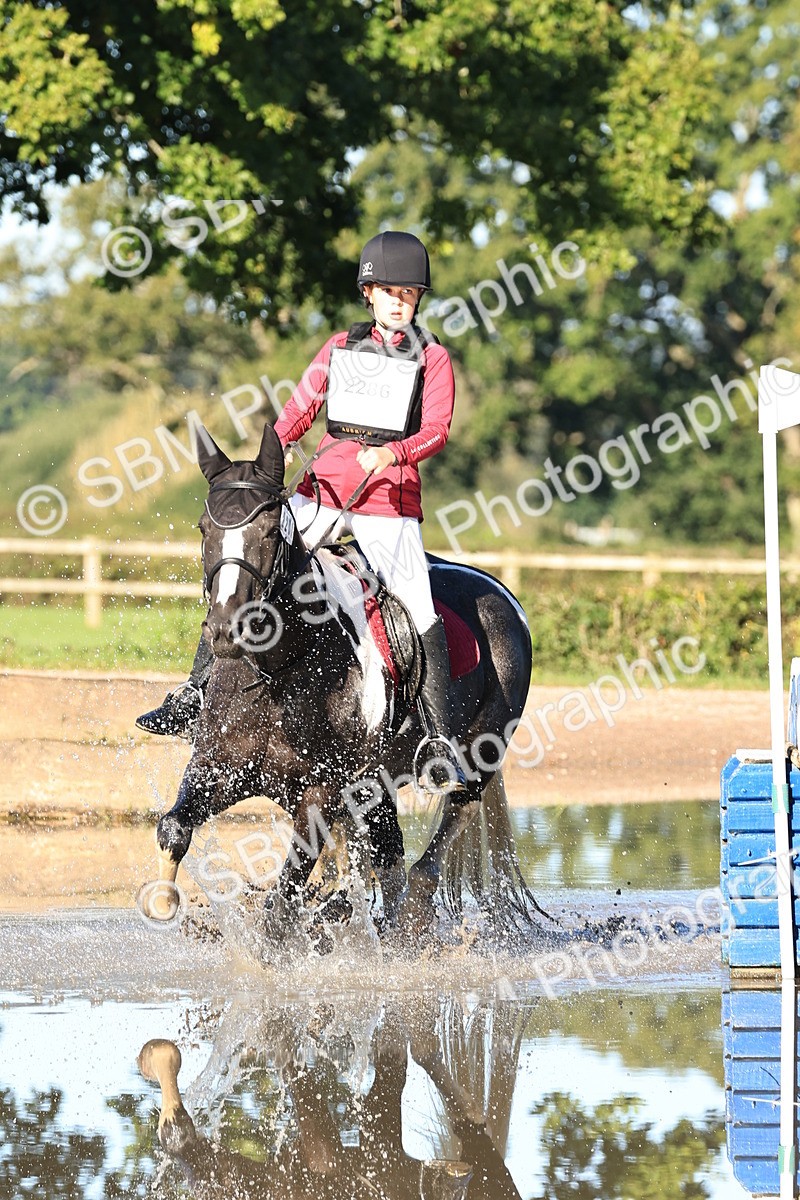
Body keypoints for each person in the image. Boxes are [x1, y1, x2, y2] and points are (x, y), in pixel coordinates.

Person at [136, 230, 466, 792]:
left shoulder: (433, 359)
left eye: (408, 294)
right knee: (251, 564)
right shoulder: (339, 347)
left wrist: (393, 451)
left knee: (419, 606)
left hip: (389, 503)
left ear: (417, 300)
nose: (398, 302)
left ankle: (440, 739)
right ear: (369, 294)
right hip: (323, 492)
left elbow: (437, 429)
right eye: (388, 291)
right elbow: (300, 409)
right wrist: (279, 448)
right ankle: (195, 693)